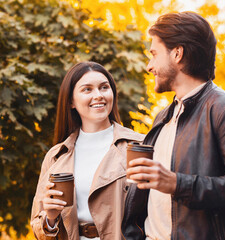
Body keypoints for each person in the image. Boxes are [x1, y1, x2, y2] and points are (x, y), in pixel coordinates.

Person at [122, 12, 225, 239]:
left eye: (154, 54)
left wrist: (177, 184)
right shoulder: (162, 117)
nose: (149, 66)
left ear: (177, 54)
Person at [30, 61, 144, 239]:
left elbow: (157, 212)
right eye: (87, 89)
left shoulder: (137, 146)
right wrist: (50, 219)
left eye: (104, 87)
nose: (98, 95)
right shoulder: (56, 156)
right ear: (71, 102)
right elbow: (39, 229)